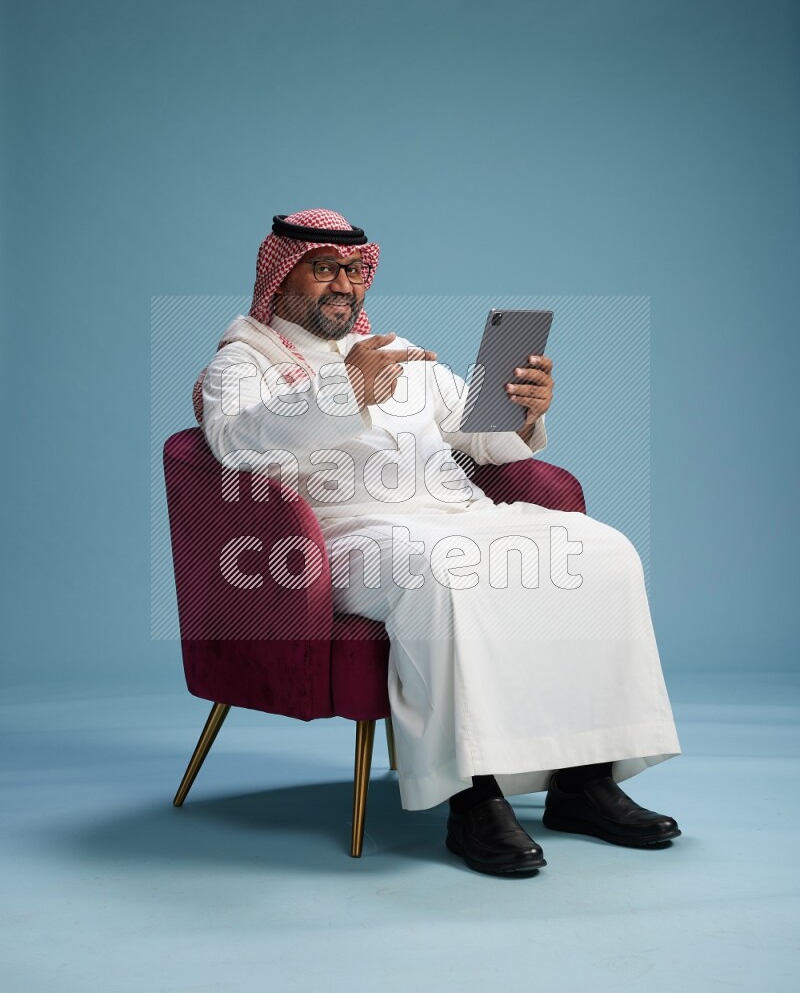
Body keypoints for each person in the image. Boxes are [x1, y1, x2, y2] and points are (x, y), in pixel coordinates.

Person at [193, 208, 682, 876]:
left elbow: (481, 438)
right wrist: (347, 389)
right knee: (443, 572)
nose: (344, 284)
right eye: (324, 268)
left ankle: (584, 780)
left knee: (601, 552)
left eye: (355, 270)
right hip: (343, 535)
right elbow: (234, 442)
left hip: (459, 512)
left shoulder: (401, 352)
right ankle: (472, 799)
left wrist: (525, 410)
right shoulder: (242, 361)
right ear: (279, 279)